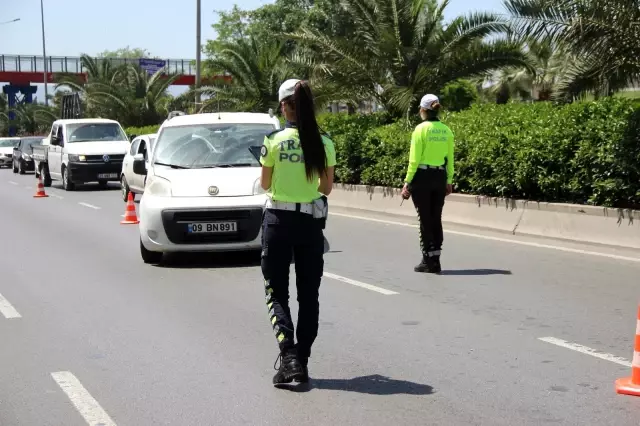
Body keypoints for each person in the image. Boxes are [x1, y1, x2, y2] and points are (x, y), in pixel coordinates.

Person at [259, 78, 337, 385]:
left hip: (278, 220)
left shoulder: (273, 141)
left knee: (276, 291)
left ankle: (289, 357)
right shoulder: (325, 142)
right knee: (309, 295)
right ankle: (301, 359)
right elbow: (325, 188)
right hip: (309, 225)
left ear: (283, 106)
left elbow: (265, 184)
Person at [401, 94, 454, 274]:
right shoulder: (446, 130)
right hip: (439, 177)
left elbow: (414, 160)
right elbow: (450, 159)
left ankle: (428, 260)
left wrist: (407, 182)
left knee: (424, 219)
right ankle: (435, 259)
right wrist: (449, 180)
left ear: (423, 110)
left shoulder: (420, 130)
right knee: (435, 218)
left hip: (422, 177)